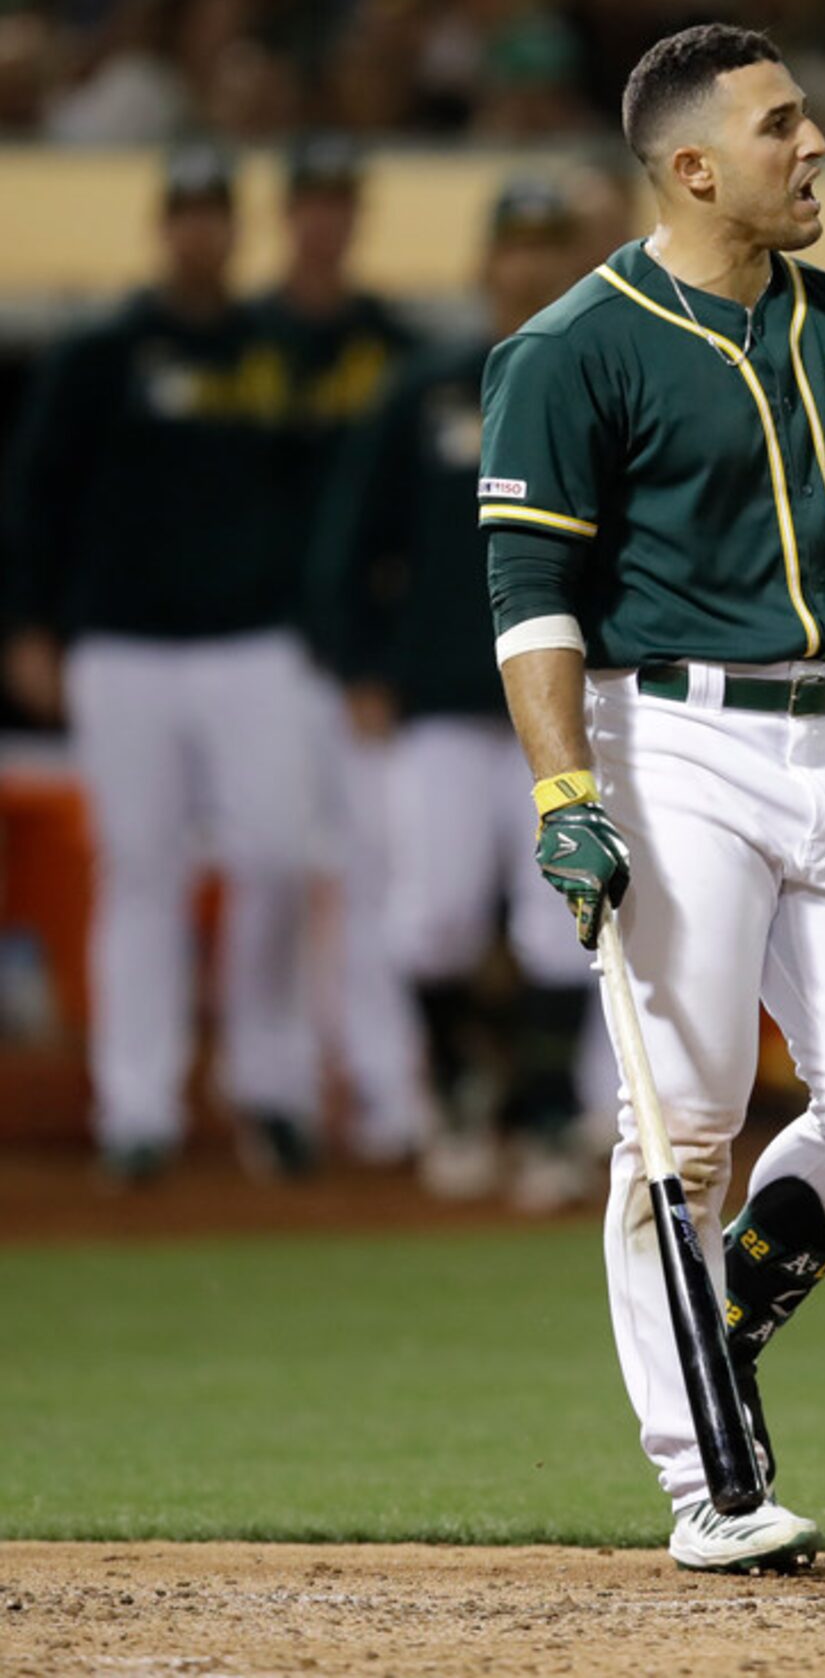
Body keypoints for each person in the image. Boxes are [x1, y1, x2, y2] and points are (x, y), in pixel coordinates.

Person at [479, 23, 825, 1574]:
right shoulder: (568, 346)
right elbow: (529, 595)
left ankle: (711, 1317)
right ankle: (705, 1476)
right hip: (663, 744)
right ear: (692, 164)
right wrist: (562, 790)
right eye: (782, 123)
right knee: (682, 1125)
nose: (816, 146)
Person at [1, 145, 321, 1181]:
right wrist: (31, 626)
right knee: (140, 872)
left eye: (214, 212)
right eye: (185, 213)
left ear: (237, 226)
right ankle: (137, 1109)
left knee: (276, 858)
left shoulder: (276, 350)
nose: (200, 230)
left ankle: (267, 1087)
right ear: (163, 226)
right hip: (123, 643)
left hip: (256, 642)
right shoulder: (100, 353)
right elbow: (33, 498)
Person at [310, 179, 602, 1212]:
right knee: (430, 918)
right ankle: (464, 1093)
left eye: (545, 245)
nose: (525, 266)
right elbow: (353, 542)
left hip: (571, 706)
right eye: (512, 247)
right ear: (484, 264)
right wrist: (358, 666)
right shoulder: (429, 386)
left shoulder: (605, 379)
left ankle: (545, 1113)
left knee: (561, 923)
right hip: (439, 695)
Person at [255, 134, 428, 1167]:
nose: (326, 219)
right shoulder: (238, 342)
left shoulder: (395, 348)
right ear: (289, 214)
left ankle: (381, 1095)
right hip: (250, 643)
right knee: (272, 872)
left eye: (340, 202)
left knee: (372, 876)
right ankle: (274, 1091)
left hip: (361, 652)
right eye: (311, 201)